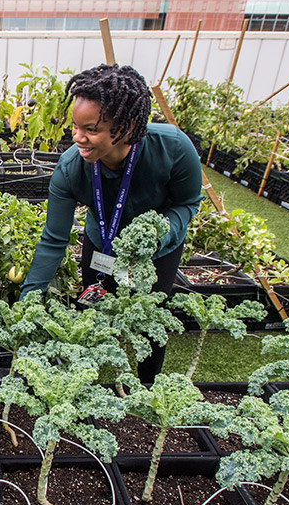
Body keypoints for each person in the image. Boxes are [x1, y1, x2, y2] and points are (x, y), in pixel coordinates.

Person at [20, 63, 202, 383]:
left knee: (150, 321)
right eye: (74, 127)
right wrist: (28, 300)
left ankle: (147, 385)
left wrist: (161, 233)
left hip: (156, 253)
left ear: (125, 126)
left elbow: (187, 203)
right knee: (94, 305)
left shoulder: (174, 148)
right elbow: (53, 240)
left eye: (90, 129)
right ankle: (87, 380)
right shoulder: (70, 168)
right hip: (100, 247)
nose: (78, 137)